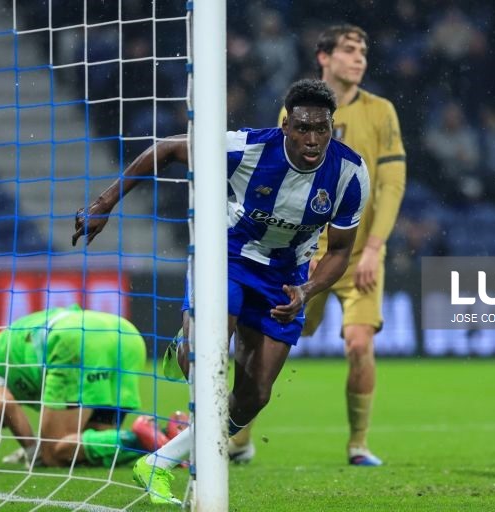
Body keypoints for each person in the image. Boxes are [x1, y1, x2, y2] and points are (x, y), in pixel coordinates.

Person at [72, 78, 369, 504]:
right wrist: (105, 203)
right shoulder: (247, 148)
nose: (312, 138)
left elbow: (340, 250)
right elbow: (168, 148)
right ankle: (189, 344)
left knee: (255, 396)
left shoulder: (348, 173)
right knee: (206, 363)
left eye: (321, 129)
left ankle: (159, 460)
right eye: (303, 127)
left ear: (331, 128)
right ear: (286, 124)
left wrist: (308, 289)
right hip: (225, 259)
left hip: (284, 278)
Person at [230, 24, 406, 467]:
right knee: (262, 339)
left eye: (364, 50)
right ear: (323, 57)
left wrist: (375, 247)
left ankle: (358, 444)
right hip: (300, 255)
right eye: (349, 50)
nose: (359, 58)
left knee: (359, 343)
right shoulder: (296, 111)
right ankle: (237, 436)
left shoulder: (381, 111)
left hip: (358, 252)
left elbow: (392, 183)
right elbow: (272, 176)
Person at [0, 304, 163, 468]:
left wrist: (32, 450)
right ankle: (163, 439)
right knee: (89, 444)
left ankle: (139, 440)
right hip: (125, 334)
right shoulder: (12, 349)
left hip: (74, 340)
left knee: (52, 452)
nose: (5, 421)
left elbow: (5, 403)